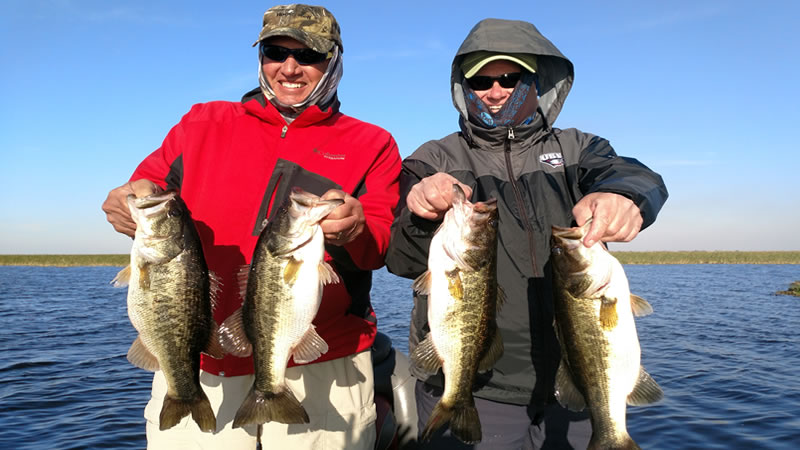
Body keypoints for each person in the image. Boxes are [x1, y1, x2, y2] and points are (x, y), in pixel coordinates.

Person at [102, 4, 401, 449]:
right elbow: (146, 189)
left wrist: (357, 229)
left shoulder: (372, 142)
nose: (290, 68)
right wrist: (124, 200)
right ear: (261, 58)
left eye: (310, 55)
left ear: (334, 61)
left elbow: (381, 246)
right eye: (275, 52)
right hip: (203, 359)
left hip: (323, 363)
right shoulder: (200, 123)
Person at [385, 18, 668, 449]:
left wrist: (623, 195)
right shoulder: (433, 157)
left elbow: (635, 174)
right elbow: (401, 259)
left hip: (577, 379)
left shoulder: (579, 148)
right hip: (478, 385)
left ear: (536, 81)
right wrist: (422, 210)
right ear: (464, 87)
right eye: (480, 80)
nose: (495, 91)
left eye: (509, 77)